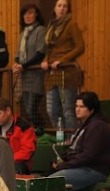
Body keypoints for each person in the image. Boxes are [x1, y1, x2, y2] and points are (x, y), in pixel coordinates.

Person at [49, 92, 110, 191]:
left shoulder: (98, 126)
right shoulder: (84, 125)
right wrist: (61, 161)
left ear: (92, 109)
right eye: (76, 106)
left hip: (94, 170)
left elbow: (88, 156)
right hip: (83, 168)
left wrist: (64, 165)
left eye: (82, 107)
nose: (77, 109)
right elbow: (75, 151)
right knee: (47, 179)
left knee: (53, 182)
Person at [41, 0, 85, 131]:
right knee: (52, 110)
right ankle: (61, 138)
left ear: (68, 9)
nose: (62, 8)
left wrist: (63, 60)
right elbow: (48, 49)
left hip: (67, 72)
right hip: (52, 74)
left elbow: (80, 47)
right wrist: (45, 60)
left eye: (65, 6)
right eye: (59, 6)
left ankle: (72, 141)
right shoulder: (51, 26)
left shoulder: (71, 25)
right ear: (54, 8)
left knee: (68, 110)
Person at [12, 3, 47, 131]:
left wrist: (23, 65)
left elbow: (40, 53)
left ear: (36, 14)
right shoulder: (22, 34)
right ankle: (35, 132)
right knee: (26, 107)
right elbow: (18, 55)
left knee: (32, 106)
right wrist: (17, 63)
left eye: (31, 13)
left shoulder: (40, 30)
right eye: (25, 14)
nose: (27, 16)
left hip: (35, 75)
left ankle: (40, 130)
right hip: (24, 76)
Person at [0, 97, 37, 174]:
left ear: (8, 111)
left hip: (19, 164)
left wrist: (7, 159)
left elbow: (27, 151)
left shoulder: (24, 126)